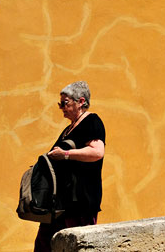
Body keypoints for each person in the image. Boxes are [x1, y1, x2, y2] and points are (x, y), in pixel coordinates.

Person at [33, 81, 106, 252]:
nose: (62, 108)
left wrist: (65, 155)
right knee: (44, 245)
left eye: (65, 103)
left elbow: (97, 152)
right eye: (60, 104)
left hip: (79, 201)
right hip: (59, 203)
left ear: (81, 102)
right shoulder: (68, 129)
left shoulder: (92, 121)